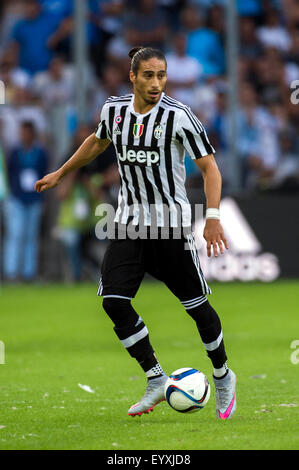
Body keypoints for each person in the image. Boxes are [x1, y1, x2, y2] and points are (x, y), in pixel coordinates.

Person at [34, 46, 237, 420]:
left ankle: (223, 375)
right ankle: (155, 377)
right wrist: (61, 173)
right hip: (129, 223)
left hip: (171, 226)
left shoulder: (180, 117)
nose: (156, 83)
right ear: (132, 76)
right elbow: (96, 142)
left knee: (198, 310)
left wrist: (212, 217)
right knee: (113, 300)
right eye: (148, 75)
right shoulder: (113, 111)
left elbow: (210, 169)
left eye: (161, 75)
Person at [4, 120, 48, 281]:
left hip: (34, 197)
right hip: (17, 198)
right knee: (15, 235)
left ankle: (29, 272)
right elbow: (9, 172)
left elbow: (44, 173)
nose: (23, 135)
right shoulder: (15, 152)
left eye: (26, 132)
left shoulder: (41, 152)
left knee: (31, 236)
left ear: (32, 133)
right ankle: (11, 271)